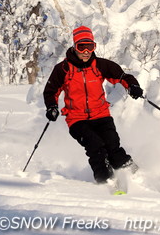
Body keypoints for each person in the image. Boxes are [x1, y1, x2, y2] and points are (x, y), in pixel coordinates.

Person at [43, 25, 143, 184]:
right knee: (96, 146)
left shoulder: (101, 65)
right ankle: (105, 181)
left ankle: (136, 176)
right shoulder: (63, 69)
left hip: (101, 114)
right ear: (75, 47)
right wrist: (52, 107)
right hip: (77, 119)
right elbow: (51, 90)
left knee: (112, 145)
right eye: (81, 47)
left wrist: (133, 86)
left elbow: (122, 76)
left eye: (90, 47)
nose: (86, 51)